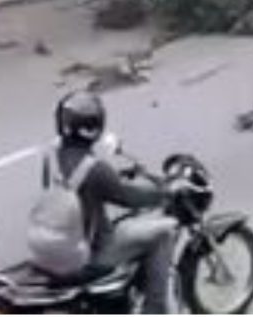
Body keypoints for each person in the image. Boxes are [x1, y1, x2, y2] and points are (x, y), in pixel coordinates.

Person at [41, 94, 178, 312]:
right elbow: (130, 198)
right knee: (165, 232)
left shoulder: (51, 155)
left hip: (52, 249)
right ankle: (156, 308)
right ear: (94, 128)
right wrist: (165, 191)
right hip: (90, 255)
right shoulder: (95, 170)